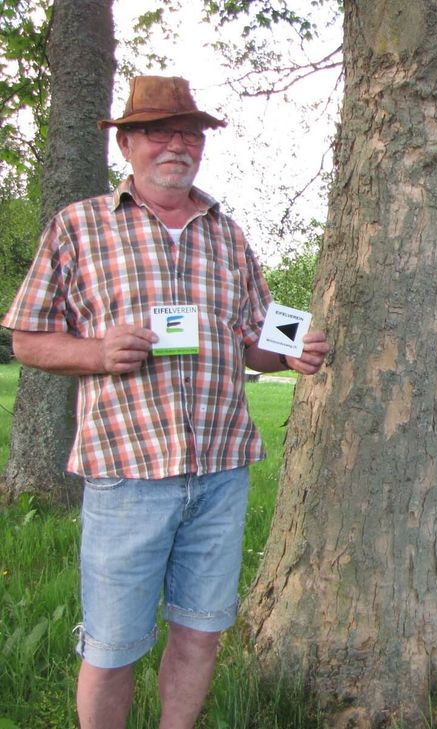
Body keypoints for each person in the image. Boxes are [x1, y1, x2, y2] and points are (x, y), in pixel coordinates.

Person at [2, 76, 330, 729]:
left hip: (219, 473)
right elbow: (27, 338)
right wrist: (95, 352)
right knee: (113, 645)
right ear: (127, 143)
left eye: (189, 132)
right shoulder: (77, 227)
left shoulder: (228, 236)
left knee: (201, 632)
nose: (175, 144)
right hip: (127, 475)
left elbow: (254, 344)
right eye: (158, 131)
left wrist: (290, 355)